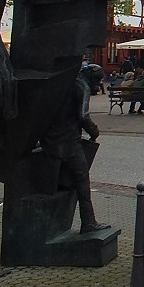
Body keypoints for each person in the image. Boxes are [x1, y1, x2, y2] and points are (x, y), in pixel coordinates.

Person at [40, 63, 109, 233]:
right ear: (91, 77)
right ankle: (88, 222)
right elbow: (83, 116)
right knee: (82, 181)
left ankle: (43, 227)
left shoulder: (63, 82)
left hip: (50, 140)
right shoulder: (82, 86)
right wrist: (94, 131)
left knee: (48, 185)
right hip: (70, 142)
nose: (97, 84)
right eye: (98, 80)